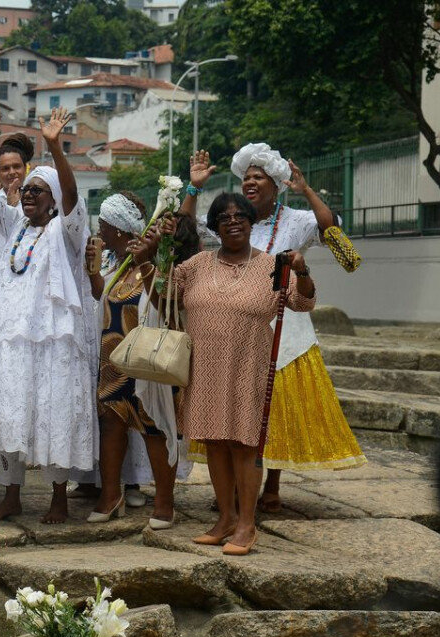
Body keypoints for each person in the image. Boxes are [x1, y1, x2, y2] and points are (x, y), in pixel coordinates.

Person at [181, 145, 365, 511]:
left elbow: (339, 243)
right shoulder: (231, 220)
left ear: (276, 184)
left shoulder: (296, 220)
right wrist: (193, 188)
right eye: (246, 177)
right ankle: (234, 490)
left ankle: (272, 486)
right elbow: (184, 235)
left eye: (258, 177)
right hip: (230, 331)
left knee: (275, 411)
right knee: (235, 413)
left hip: (287, 330)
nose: (250, 182)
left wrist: (307, 191)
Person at [133, 192, 317, 555]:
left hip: (249, 367)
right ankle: (226, 519)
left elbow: (304, 301)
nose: (233, 221)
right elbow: (164, 298)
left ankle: (247, 524)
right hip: (205, 368)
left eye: (240, 216)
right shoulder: (197, 265)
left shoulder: (272, 265)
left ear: (251, 223)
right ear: (215, 226)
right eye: (224, 217)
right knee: (215, 443)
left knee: (243, 444)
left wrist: (302, 270)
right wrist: (146, 264)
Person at [0, 107, 100, 524]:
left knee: (53, 410)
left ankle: (58, 497)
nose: (27, 194)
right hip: (7, 338)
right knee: (9, 411)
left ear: (54, 199)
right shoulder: (10, 227)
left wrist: (56, 147)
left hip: (53, 339)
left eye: (37, 190)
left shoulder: (68, 230)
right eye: (25, 190)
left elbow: (73, 195)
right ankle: (11, 494)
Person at [84, 194, 201, 528]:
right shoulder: (114, 262)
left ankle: (164, 503)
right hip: (114, 359)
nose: (99, 231)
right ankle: (110, 496)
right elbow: (101, 295)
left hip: (151, 359)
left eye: (103, 225)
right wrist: (92, 270)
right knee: (111, 424)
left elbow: (166, 299)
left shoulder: (161, 260)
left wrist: (148, 259)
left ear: (119, 229)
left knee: (155, 426)